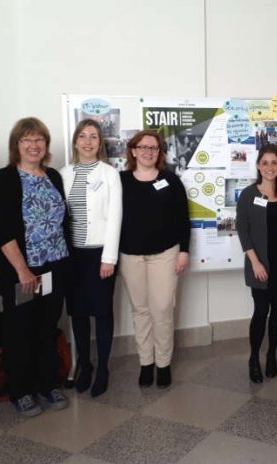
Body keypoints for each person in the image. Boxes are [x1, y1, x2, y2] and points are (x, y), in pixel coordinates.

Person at [0, 117, 71, 417]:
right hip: (22, 272)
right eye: (27, 140)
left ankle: (47, 384)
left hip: (54, 267)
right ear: (17, 145)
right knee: (19, 329)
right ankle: (20, 391)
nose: (34, 145)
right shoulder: (5, 178)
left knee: (47, 326)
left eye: (39, 140)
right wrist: (23, 271)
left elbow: (61, 222)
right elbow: (3, 231)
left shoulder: (53, 177)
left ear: (46, 146)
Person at [119, 130, 190, 389]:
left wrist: (184, 251)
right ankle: (146, 363)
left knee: (161, 309)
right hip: (130, 256)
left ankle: (163, 363)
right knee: (140, 310)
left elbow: (183, 219)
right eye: (144, 147)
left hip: (165, 254)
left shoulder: (170, 181)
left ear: (160, 153)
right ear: (133, 150)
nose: (149, 152)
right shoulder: (121, 180)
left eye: (154, 148)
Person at [59, 119, 122, 397]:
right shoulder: (63, 174)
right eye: (82, 136)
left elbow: (115, 218)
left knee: (102, 312)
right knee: (78, 314)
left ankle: (104, 368)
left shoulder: (109, 173)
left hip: (100, 254)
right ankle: (85, 365)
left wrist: (109, 258)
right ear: (75, 141)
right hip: (72, 255)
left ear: (100, 143)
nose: (87, 142)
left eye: (93, 137)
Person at [236, 144, 277, 383]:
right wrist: (255, 263)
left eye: (274, 163)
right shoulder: (249, 194)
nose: (270, 167)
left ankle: (271, 353)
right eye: (265, 163)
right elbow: (242, 230)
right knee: (261, 311)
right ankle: (254, 357)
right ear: (258, 166)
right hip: (260, 265)